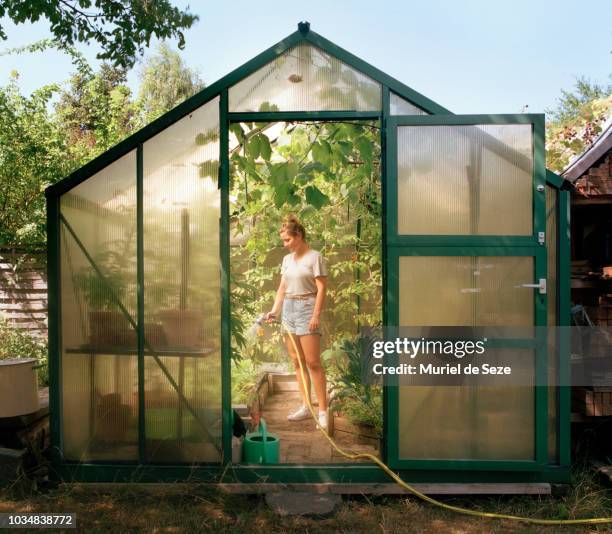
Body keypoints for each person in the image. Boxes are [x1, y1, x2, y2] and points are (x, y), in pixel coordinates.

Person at [265, 215, 329, 430]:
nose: (285, 245)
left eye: (287, 240)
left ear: (299, 236)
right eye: (283, 241)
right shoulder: (287, 260)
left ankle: (323, 411)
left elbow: (321, 288)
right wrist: (274, 311)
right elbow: (282, 289)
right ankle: (305, 406)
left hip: (307, 307)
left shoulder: (315, 257)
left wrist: (315, 315)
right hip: (289, 310)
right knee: (297, 362)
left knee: (313, 362)